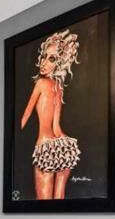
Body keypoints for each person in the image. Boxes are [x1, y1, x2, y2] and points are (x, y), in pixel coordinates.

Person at [20, 29, 81, 200]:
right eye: (44, 56)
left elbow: (26, 114)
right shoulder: (59, 88)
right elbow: (56, 126)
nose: (44, 62)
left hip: (45, 147)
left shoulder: (41, 83)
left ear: (59, 63)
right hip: (63, 146)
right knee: (58, 201)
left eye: (51, 59)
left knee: (43, 204)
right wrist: (65, 143)